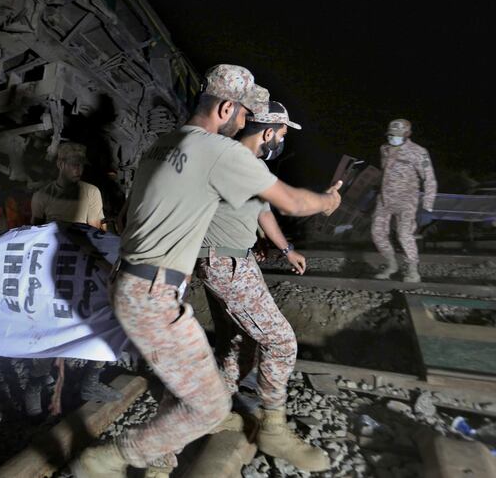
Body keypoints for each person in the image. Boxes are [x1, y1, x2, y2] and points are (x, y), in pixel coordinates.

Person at [71, 64, 342, 477]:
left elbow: (125, 220)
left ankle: (159, 457)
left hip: (137, 283)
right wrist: (327, 201)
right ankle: (109, 459)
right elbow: (293, 203)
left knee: (196, 376)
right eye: (242, 114)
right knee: (209, 403)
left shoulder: (164, 144)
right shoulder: (220, 151)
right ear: (227, 108)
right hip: (153, 293)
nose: (244, 122)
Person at [195, 101, 330, 472]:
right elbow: (290, 203)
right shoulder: (237, 160)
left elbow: (262, 211)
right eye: (282, 136)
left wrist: (286, 249)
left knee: (240, 342)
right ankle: (273, 427)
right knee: (281, 341)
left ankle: (214, 408)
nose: (281, 143)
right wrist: (327, 201)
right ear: (268, 133)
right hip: (226, 263)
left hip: (236, 260)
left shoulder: (247, 165)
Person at [26, 142, 121, 417]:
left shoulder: (90, 192)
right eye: (72, 163)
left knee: (103, 321)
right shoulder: (42, 195)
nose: (78, 168)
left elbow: (96, 232)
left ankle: (90, 382)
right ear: (60, 164)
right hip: (51, 270)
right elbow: (34, 234)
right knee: (45, 328)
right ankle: (35, 386)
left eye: (81, 163)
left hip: (84, 267)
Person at [371, 119, 437, 282]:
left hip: (406, 200)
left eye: (398, 135)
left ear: (408, 134)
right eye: (391, 135)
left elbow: (429, 179)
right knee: (377, 232)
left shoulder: (418, 152)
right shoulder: (384, 149)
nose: (393, 138)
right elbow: (385, 172)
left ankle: (413, 271)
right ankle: (391, 264)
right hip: (385, 199)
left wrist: (427, 205)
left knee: (404, 234)